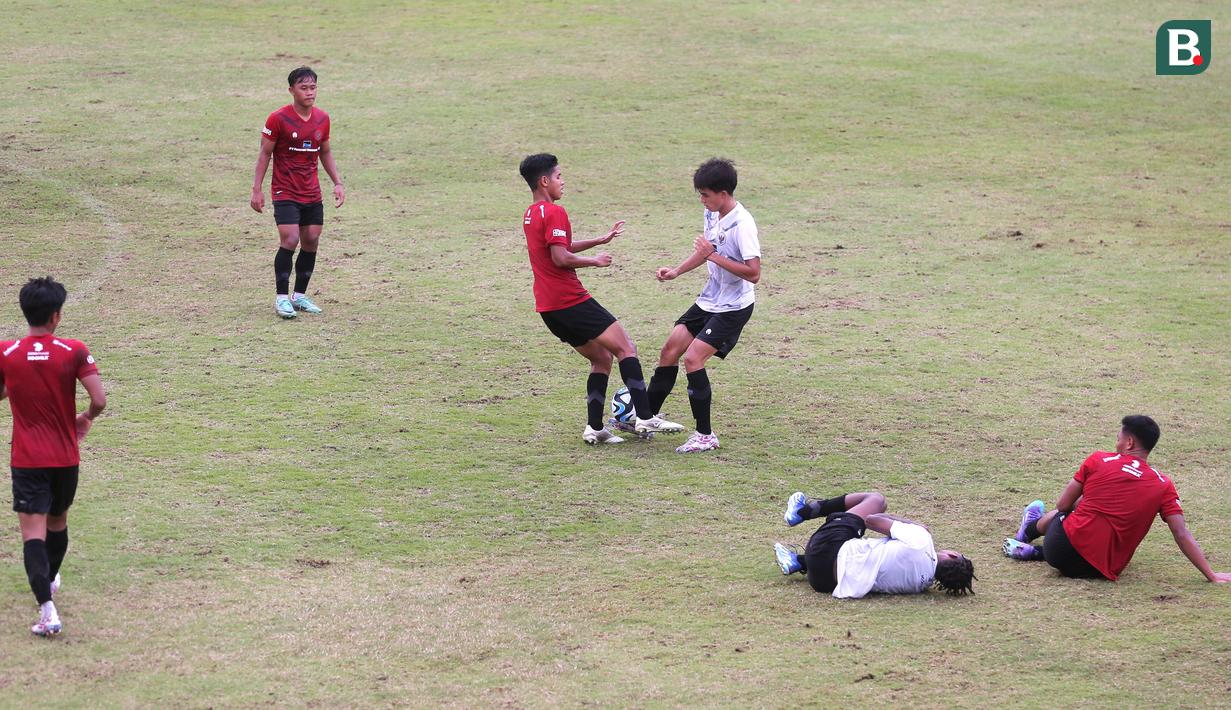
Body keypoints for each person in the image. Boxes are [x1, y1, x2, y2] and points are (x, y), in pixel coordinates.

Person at [519, 153, 684, 445]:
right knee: (626, 348)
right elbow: (560, 258)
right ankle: (645, 417)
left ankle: (595, 428)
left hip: (548, 308)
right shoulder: (556, 212)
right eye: (558, 176)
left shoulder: (532, 213)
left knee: (601, 358)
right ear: (544, 181)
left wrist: (599, 240)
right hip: (569, 299)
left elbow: (560, 246)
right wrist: (594, 261)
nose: (563, 181)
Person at [1003, 415, 1231, 583]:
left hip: (1059, 549)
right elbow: (1181, 533)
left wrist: (1083, 503)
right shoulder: (1164, 484)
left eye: (1118, 439)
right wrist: (1211, 574)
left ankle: (1029, 531)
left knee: (1068, 511)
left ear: (1129, 442)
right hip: (1102, 570)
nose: (1116, 444)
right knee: (1087, 515)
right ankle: (1035, 552)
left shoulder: (1099, 460)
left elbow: (1062, 505)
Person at [0, 277, 106, 636]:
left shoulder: (6, 352)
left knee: (32, 535)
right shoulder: (73, 350)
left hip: (27, 459)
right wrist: (85, 419)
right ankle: (51, 578)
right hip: (65, 457)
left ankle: (47, 610)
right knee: (58, 522)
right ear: (56, 316)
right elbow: (100, 400)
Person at [647, 158, 760, 453]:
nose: (702, 200)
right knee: (670, 349)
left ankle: (705, 436)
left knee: (693, 359)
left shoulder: (743, 224)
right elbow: (705, 251)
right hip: (711, 298)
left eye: (705, 194)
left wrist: (712, 256)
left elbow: (754, 273)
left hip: (734, 306)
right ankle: (646, 417)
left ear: (723, 193)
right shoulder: (712, 213)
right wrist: (676, 271)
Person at [250, 66, 345, 319]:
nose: (309, 92)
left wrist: (337, 182)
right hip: (285, 190)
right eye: (304, 88)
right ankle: (282, 298)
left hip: (311, 191)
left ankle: (299, 296)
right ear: (292, 90)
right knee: (290, 239)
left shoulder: (323, 119)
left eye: (313, 87)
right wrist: (256, 189)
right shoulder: (278, 119)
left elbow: (324, 151)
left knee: (311, 239)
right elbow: (264, 154)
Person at [774, 490, 975, 598]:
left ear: (953, 556)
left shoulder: (922, 541)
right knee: (862, 553)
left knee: (877, 499)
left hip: (825, 548)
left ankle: (802, 513)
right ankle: (797, 563)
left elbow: (872, 519)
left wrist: (916, 525)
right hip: (823, 582)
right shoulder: (919, 585)